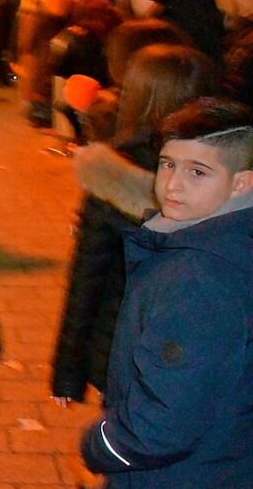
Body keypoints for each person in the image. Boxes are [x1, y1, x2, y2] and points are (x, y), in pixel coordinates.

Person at [80, 97, 253, 487]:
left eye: (198, 172)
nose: (173, 184)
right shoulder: (227, 240)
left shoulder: (200, 274)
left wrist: (100, 449)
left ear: (240, 182)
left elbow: (164, 420)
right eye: (167, 164)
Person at [50, 44, 218, 404]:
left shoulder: (113, 170)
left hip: (128, 350)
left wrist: (68, 371)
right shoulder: (223, 168)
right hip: (205, 354)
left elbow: (88, 280)